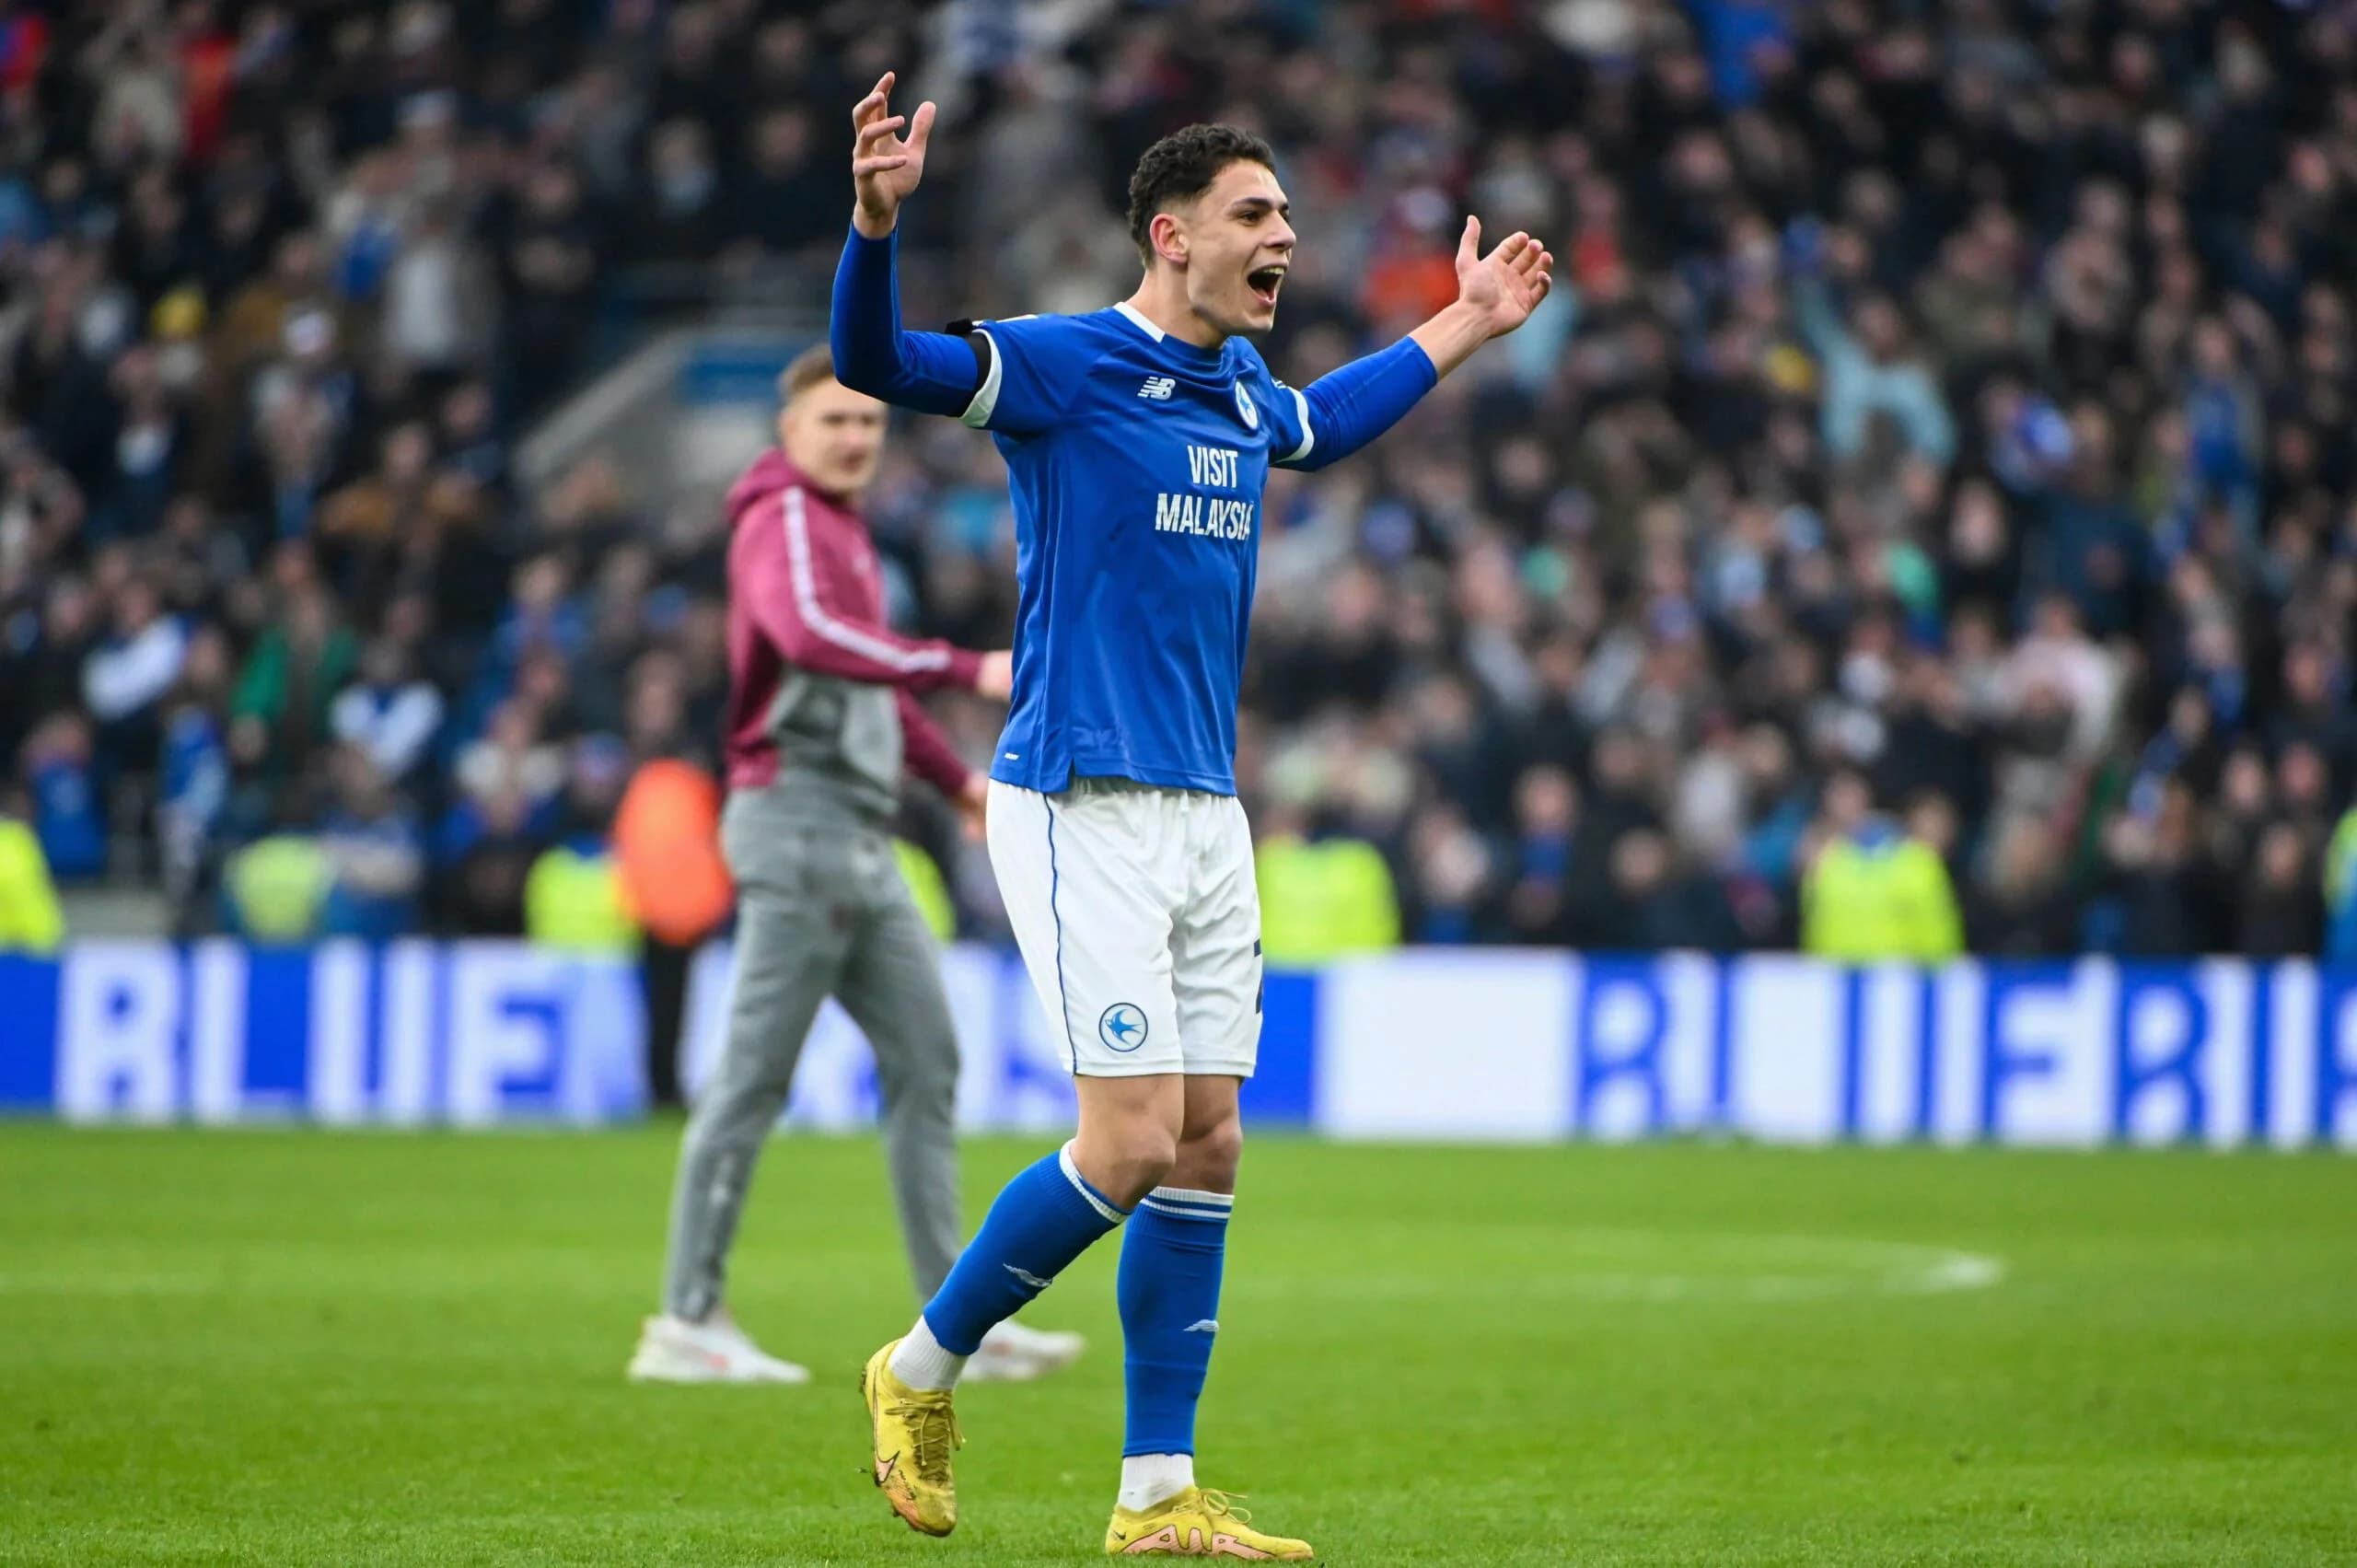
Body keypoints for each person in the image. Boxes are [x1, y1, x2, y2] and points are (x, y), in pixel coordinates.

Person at [830, 73, 1551, 1558]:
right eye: (1256, 213)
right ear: (1173, 236)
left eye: (1282, 210)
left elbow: (1326, 421)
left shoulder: (1236, 392)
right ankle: (916, 1366)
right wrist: (874, 223)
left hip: (1202, 810)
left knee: (1211, 1141)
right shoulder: (1066, 364)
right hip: (1076, 794)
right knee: (1133, 1140)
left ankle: (1158, 1494)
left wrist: (1466, 323)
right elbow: (872, 361)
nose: (1286, 231)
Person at [630, 346, 1083, 1388]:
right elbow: (811, 637)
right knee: (752, 1078)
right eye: (833, 422)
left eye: (868, 425)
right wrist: (963, 665)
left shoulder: (834, 529)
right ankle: (685, 1317)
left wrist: (955, 782)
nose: (853, 438)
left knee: (927, 1061)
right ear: (786, 434)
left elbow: (861, 673)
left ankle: (960, 1317)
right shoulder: (783, 516)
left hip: (856, 831)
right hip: (796, 820)